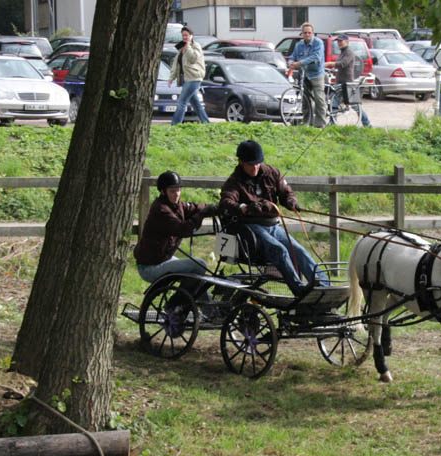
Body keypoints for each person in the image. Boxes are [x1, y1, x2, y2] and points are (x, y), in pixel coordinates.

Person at [218, 140, 329, 295]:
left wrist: (291, 201)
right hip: (251, 228)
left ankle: (324, 288)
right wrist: (244, 208)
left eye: (257, 163)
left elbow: (286, 192)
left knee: (299, 250)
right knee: (280, 250)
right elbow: (226, 202)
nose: (255, 167)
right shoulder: (234, 182)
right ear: (241, 162)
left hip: (273, 226)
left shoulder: (272, 173)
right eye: (251, 164)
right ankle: (300, 291)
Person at [134, 171, 216, 284]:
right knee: (200, 265)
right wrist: (201, 215)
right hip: (150, 268)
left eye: (178, 190)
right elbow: (183, 229)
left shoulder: (176, 205)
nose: (177, 194)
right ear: (163, 192)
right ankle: (178, 300)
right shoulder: (161, 210)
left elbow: (195, 208)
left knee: (198, 277)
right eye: (172, 191)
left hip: (163, 260)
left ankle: (201, 301)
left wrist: (216, 208)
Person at [325, 34, 371, 127]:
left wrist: (330, 63)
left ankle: (367, 123)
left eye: (341, 41)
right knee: (334, 102)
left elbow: (343, 63)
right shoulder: (342, 52)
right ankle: (332, 122)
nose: (339, 43)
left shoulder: (349, 52)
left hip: (347, 83)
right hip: (340, 82)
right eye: (338, 41)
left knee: (355, 105)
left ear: (346, 42)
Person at [168, 26, 210, 125]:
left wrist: (188, 47)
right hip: (185, 79)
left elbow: (193, 59)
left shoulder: (196, 45)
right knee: (196, 103)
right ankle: (206, 123)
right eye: (183, 35)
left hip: (194, 78)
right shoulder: (180, 45)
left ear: (191, 36)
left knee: (181, 102)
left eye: (187, 35)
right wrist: (171, 78)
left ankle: (175, 125)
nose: (185, 37)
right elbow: (176, 63)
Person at [289, 22, 327, 128]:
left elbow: (315, 57)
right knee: (305, 100)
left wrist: (299, 63)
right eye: (305, 33)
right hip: (304, 75)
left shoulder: (318, 43)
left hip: (317, 74)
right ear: (302, 33)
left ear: (312, 33)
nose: (307, 34)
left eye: (309, 32)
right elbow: (293, 56)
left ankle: (320, 124)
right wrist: (291, 63)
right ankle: (306, 122)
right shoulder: (299, 45)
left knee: (319, 99)